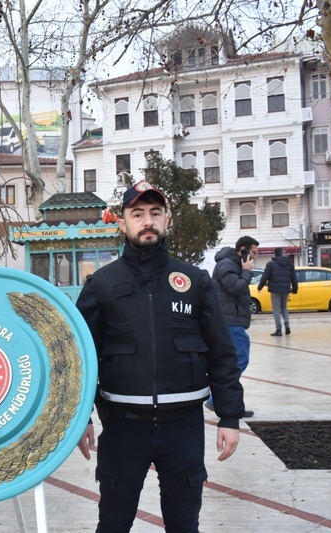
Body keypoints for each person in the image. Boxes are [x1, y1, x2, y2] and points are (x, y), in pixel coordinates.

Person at [75, 180, 245, 533]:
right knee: (113, 523)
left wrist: (230, 417)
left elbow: (222, 353)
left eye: (155, 212)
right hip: (122, 427)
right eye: (137, 214)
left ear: (168, 219)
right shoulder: (101, 285)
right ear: (123, 223)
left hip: (183, 427)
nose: (147, 221)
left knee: (184, 524)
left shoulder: (195, 281)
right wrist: (81, 418)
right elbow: (79, 358)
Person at [209, 235, 259, 418]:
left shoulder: (232, 264)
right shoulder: (226, 265)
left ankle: (223, 401)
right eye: (253, 252)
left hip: (233, 320)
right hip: (230, 322)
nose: (255, 256)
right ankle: (217, 399)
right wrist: (247, 271)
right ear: (243, 250)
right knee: (238, 360)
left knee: (234, 362)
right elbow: (236, 287)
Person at [258, 247, 298, 337]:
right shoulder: (290, 264)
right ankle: (287, 325)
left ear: (275, 254)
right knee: (284, 307)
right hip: (286, 290)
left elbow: (265, 277)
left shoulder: (271, 264)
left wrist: (260, 287)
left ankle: (278, 329)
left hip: (275, 290)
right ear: (282, 253)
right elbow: (294, 278)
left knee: (276, 309)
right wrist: (295, 289)